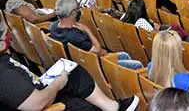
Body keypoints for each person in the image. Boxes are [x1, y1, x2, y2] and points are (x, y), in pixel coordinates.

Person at [0, 25, 140, 111]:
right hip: (43, 103)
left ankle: (112, 107)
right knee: (84, 105)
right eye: (5, 32)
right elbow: (35, 104)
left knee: (72, 71)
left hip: (35, 91)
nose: (9, 35)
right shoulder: (4, 74)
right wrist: (57, 84)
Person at [49, 0, 143, 70]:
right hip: (95, 65)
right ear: (73, 13)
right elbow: (97, 50)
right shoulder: (74, 36)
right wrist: (87, 30)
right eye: (78, 9)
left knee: (124, 55)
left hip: (83, 60)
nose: (79, 11)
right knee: (137, 64)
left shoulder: (53, 27)